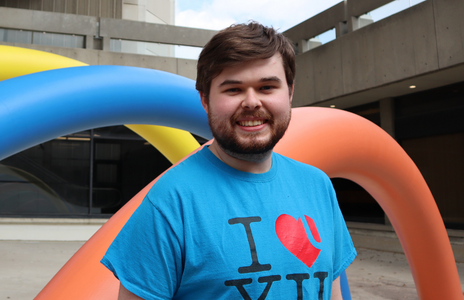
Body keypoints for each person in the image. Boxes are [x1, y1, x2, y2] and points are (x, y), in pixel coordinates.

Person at [100, 21, 356, 300]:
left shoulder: (317, 185)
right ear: (205, 100)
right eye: (233, 89)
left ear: (290, 93)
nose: (251, 102)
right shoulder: (171, 201)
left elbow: (331, 291)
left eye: (267, 87)